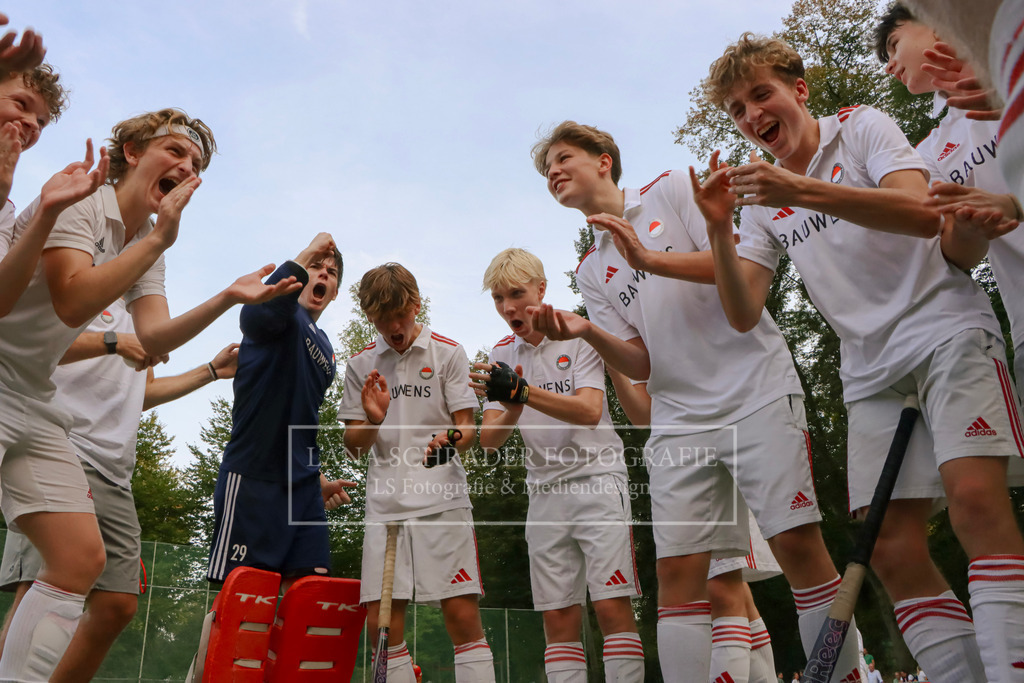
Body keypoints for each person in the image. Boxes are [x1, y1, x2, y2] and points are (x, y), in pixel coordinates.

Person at [694, 32, 1024, 683]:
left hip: (947, 330)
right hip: (867, 370)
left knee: (975, 502)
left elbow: (920, 213)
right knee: (894, 547)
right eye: (736, 109)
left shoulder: (863, 128)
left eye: (761, 94)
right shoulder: (761, 202)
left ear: (799, 90)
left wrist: (802, 189)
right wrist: (716, 231)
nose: (752, 114)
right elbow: (741, 312)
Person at [528, 121, 862, 682]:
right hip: (679, 419)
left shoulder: (673, 189)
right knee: (679, 578)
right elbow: (640, 362)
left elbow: (737, 268)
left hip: (754, 388)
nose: (553, 173)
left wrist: (649, 259)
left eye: (563, 159)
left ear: (604, 160)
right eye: (546, 172)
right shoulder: (591, 269)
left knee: (799, 548)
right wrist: (585, 331)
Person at [0, 107, 298, 680]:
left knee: (85, 563)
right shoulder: (85, 200)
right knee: (68, 566)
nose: (188, 167)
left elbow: (154, 339)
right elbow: (69, 301)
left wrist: (226, 299)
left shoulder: (146, 245)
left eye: (197, 164)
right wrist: (157, 243)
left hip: (34, 400)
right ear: (132, 153)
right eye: (176, 152)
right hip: (16, 387)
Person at [0, 298, 239, 682]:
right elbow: (29, 345)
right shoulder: (77, 276)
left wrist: (210, 370)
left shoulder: (145, 310)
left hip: (115, 469)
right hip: (61, 444)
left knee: (117, 604)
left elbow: (140, 395)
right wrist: (113, 339)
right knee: (46, 582)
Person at [471, 247, 643, 682]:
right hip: (544, 491)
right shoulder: (502, 352)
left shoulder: (577, 333)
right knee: (558, 617)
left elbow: (588, 411)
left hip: (597, 479)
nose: (508, 306)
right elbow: (490, 440)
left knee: (610, 604)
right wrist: (511, 399)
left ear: (541, 290)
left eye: (516, 293)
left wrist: (522, 392)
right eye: (497, 298)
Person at [340, 263, 495, 683]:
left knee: (461, 617)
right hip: (386, 508)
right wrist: (373, 419)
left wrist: (449, 438)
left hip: (442, 502)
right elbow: (354, 447)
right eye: (380, 318)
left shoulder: (449, 352)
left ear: (416, 305)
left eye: (399, 315)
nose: (392, 326)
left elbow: (466, 426)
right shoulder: (360, 364)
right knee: (381, 628)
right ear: (368, 317)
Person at [207, 232, 353, 590]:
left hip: (303, 493)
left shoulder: (328, 354)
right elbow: (255, 316)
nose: (322, 275)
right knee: (241, 606)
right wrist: (304, 257)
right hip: (254, 478)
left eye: (331, 273)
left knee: (307, 601)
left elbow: (301, 421)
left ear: (335, 292)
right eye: (316, 267)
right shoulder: (279, 316)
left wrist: (315, 479)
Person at [0, 62, 70, 318]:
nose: (32, 123)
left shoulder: (5, 211)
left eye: (42, 122)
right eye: (21, 103)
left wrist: (48, 212)